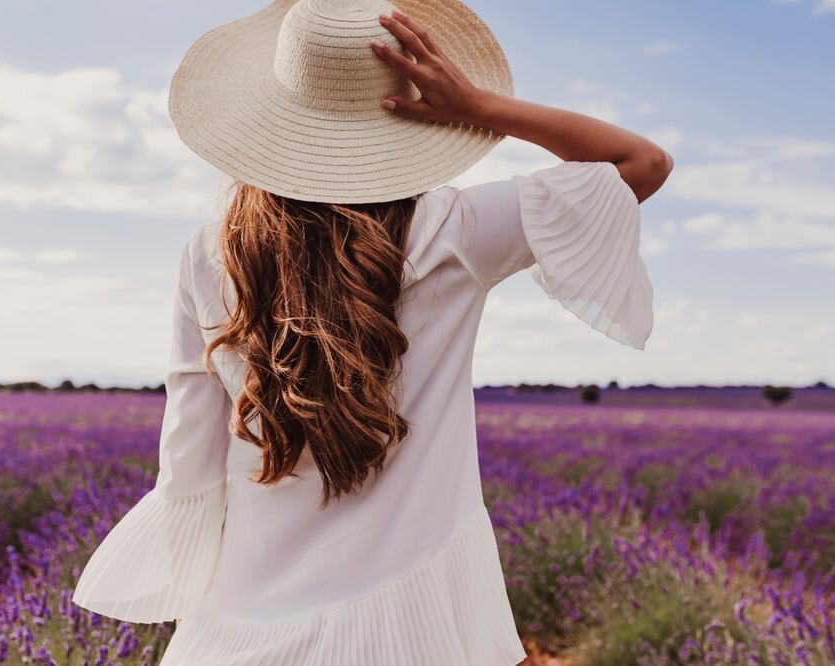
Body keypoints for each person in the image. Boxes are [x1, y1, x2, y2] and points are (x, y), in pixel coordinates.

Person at [72, 0, 672, 663]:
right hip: (406, 618)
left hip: (245, 614)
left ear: (272, 111)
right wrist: (479, 107)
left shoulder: (210, 253)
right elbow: (638, 162)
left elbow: (190, 452)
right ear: (405, 107)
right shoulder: (457, 231)